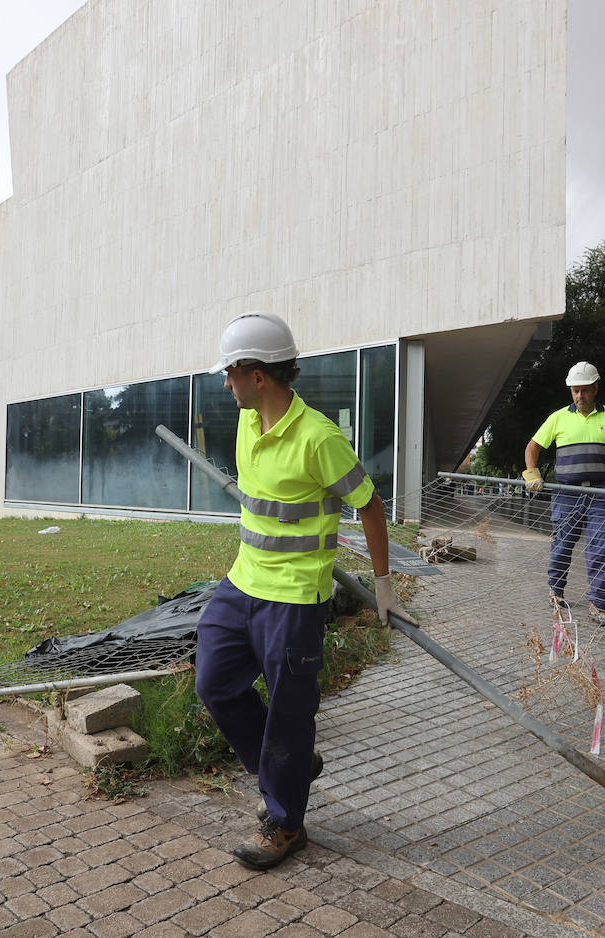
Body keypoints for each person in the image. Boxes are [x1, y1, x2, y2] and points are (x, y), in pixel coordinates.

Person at [195, 310, 403, 871]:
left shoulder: (319, 439)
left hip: (293, 600)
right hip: (241, 584)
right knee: (214, 683)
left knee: (289, 719)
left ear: (258, 375)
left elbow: (371, 505)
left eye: (231, 372)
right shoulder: (247, 421)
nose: (225, 382)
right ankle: (286, 770)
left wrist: (382, 584)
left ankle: (286, 824)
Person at [522, 361, 605, 627]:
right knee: (562, 544)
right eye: (575, 391)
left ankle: (597, 604)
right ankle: (556, 591)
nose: (579, 396)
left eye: (584, 390)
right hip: (566, 493)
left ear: (596, 388)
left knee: (599, 548)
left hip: (602, 494)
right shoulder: (558, 418)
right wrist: (532, 472)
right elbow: (532, 447)